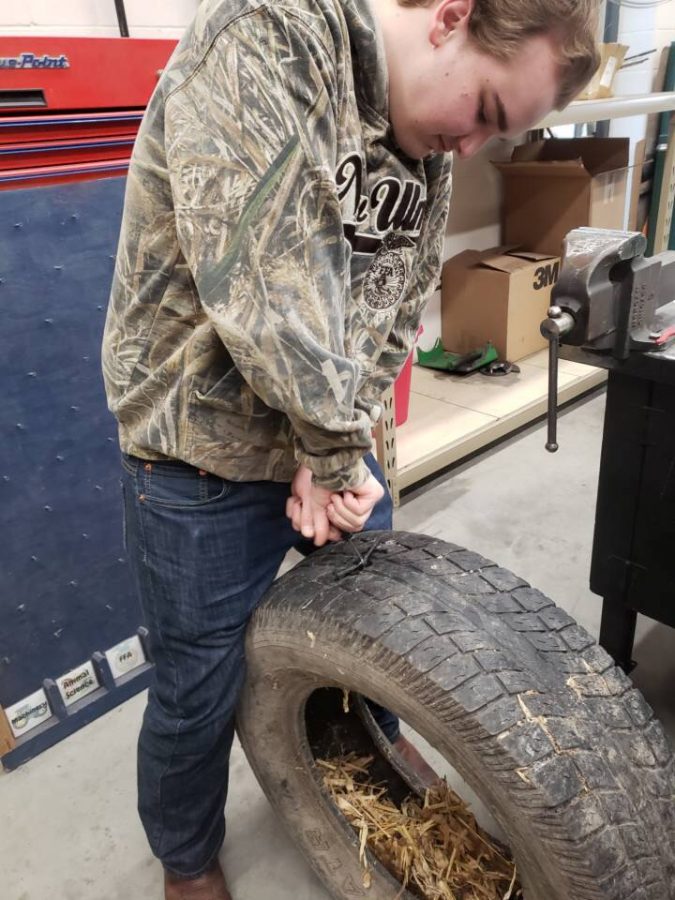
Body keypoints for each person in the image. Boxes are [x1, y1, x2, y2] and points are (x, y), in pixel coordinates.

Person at [102, 0, 599, 897]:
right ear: (450, 16)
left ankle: (365, 744)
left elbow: (394, 306)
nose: (474, 147)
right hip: (198, 450)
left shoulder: (427, 132)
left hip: (321, 435)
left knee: (384, 626)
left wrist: (331, 448)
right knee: (195, 691)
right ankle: (185, 860)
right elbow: (267, 295)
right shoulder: (270, 36)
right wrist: (331, 457)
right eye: (488, 112)